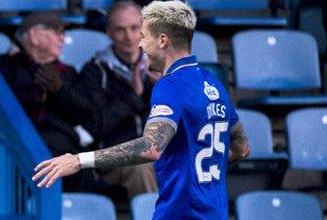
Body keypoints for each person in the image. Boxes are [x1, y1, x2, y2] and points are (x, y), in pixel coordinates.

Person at [32, 1, 251, 219]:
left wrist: (78, 160)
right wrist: (187, 170)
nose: (140, 44)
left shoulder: (170, 84)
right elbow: (242, 148)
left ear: (162, 40)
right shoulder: (213, 82)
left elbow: (151, 147)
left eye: (143, 36)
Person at [0, 12, 94, 192]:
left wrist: (59, 90)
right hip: (18, 143)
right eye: (58, 32)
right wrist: (33, 90)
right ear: (35, 35)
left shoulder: (67, 72)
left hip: (62, 146)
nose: (63, 39)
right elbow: (1, 107)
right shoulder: (3, 66)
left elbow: (84, 114)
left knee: (80, 166)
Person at [79, 0, 158, 201]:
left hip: (158, 152)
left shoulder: (160, 65)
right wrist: (131, 96)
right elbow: (94, 127)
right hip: (114, 159)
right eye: (120, 30)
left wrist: (161, 87)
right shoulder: (94, 71)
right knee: (141, 165)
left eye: (134, 28)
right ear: (109, 32)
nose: (129, 37)